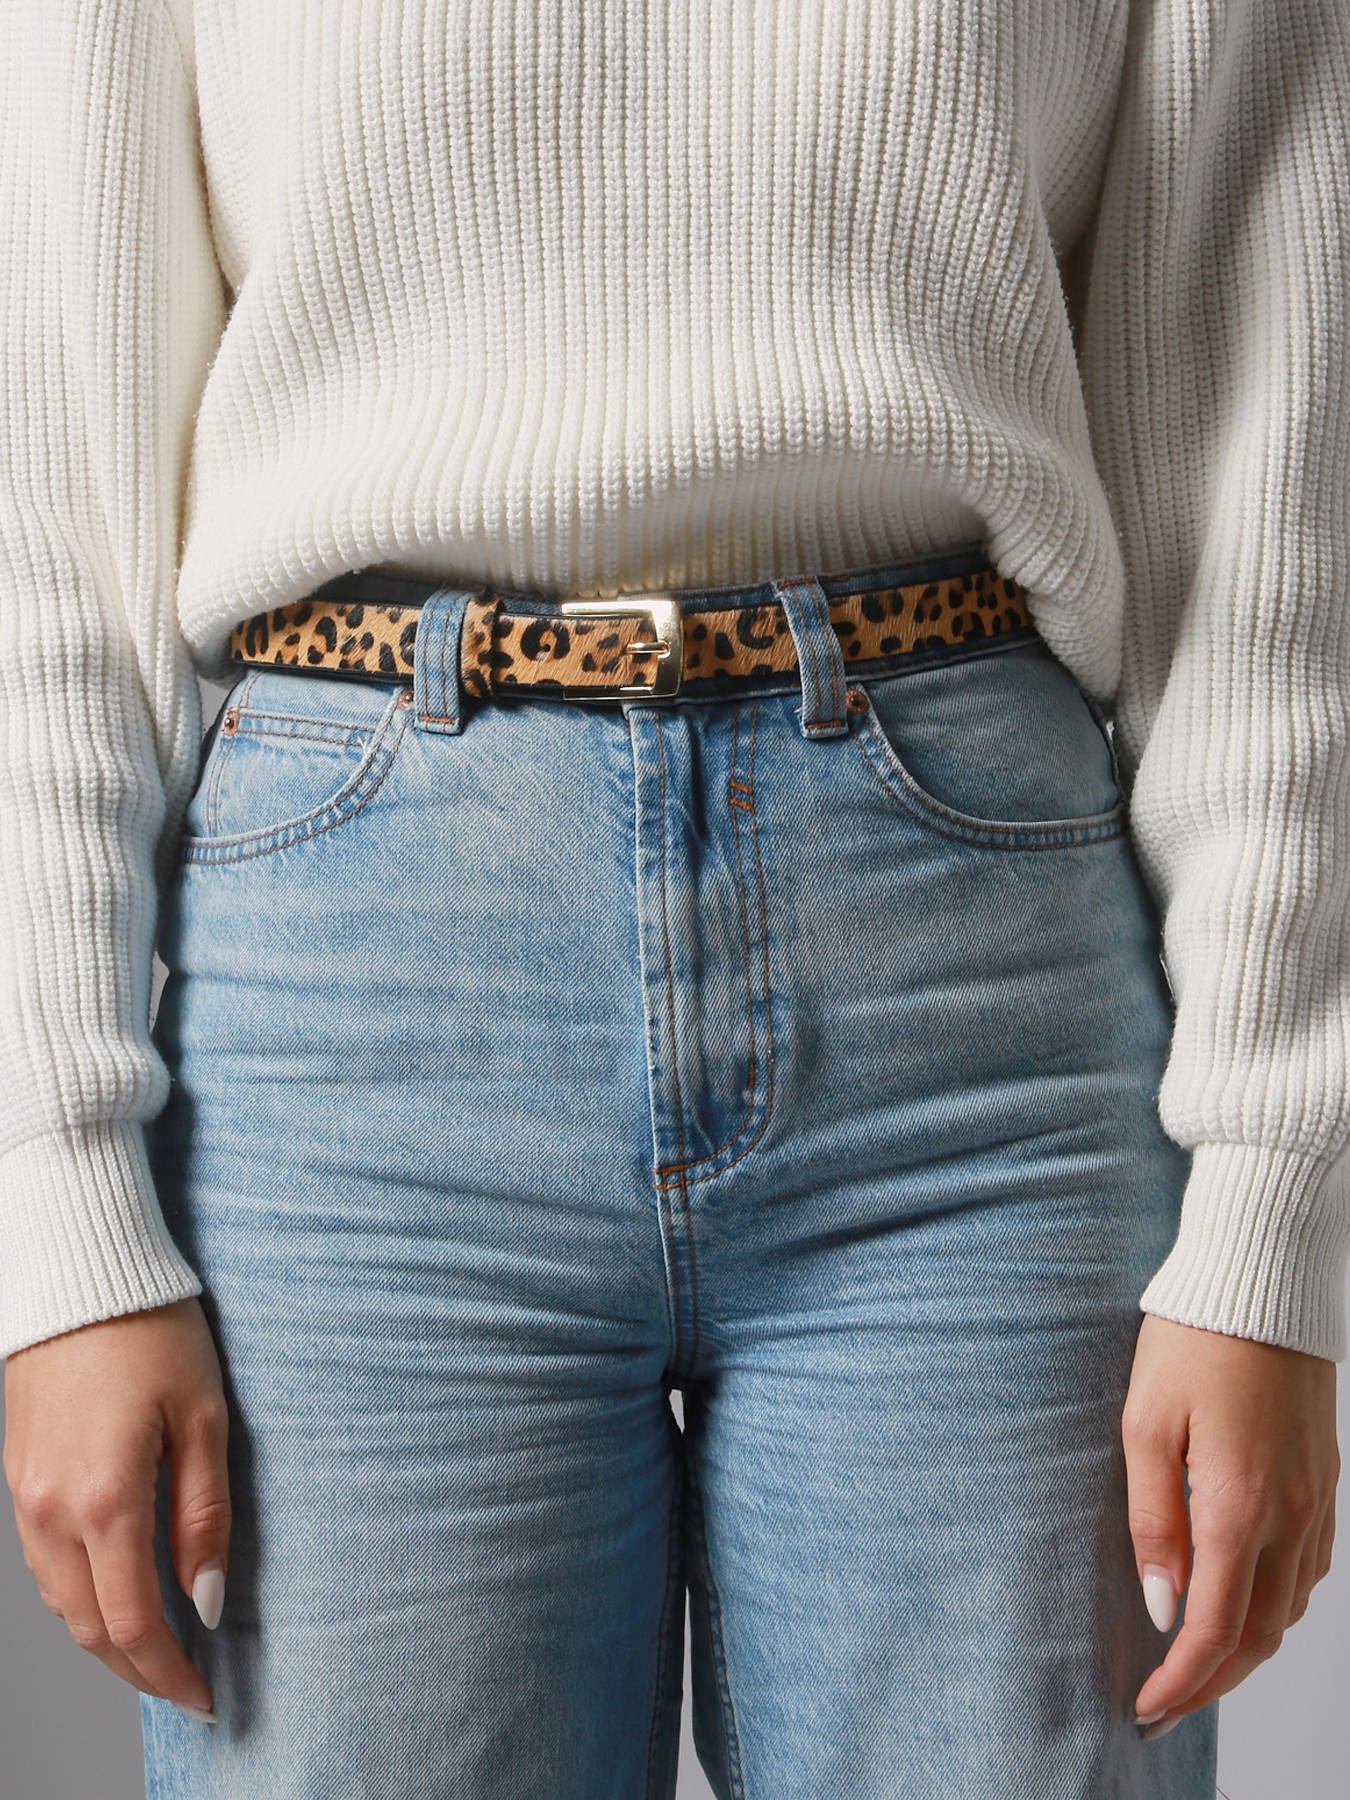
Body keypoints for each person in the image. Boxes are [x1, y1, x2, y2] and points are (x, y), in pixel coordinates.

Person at [0, 4, 1344, 1796]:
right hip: (357, 1023)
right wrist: (56, 1206)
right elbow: (47, 520)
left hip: (968, 1021)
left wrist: (1271, 1201)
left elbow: (1264, 498)